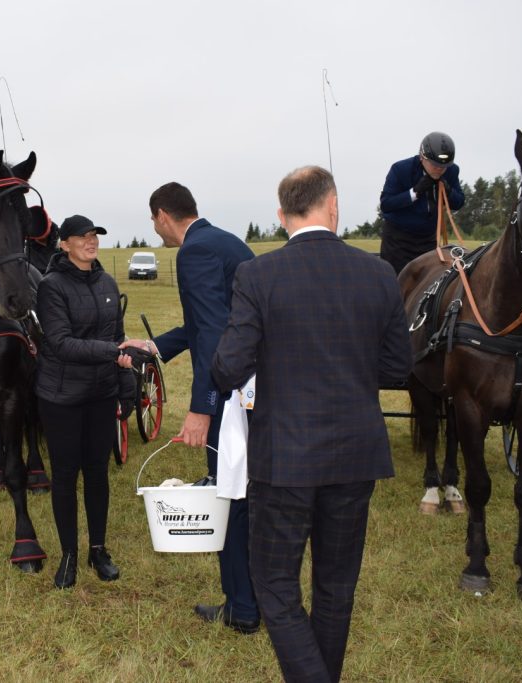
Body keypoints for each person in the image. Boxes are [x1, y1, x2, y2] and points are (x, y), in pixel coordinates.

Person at [212, 166, 412, 681]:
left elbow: (228, 368)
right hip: (355, 455)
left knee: (275, 587)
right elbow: (397, 368)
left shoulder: (258, 275)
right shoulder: (377, 273)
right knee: (335, 586)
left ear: (282, 217)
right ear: (334, 206)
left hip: (285, 459)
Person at [119, 182, 260, 634]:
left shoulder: (194, 252)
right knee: (242, 495)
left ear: (162, 215)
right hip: (255, 388)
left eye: (153, 221)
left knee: (230, 495)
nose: (155, 229)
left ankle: (243, 608)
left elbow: (216, 334)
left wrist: (203, 406)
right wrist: (153, 345)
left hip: (233, 397)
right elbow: (201, 323)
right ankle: (250, 599)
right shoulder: (224, 240)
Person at [34, 214, 135, 590]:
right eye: (82, 237)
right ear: (64, 244)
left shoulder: (108, 283)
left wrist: (126, 388)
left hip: (100, 394)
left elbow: (119, 340)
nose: (91, 241)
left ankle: (97, 550)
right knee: (64, 475)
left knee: (97, 473)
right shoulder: (51, 287)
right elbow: (60, 343)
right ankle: (69, 556)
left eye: (94, 236)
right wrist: (111, 351)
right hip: (62, 397)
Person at [379, 131, 464, 275]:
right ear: (422, 157)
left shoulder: (451, 171)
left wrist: (448, 190)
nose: (439, 169)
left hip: (429, 241)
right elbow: (386, 204)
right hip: (398, 243)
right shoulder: (400, 169)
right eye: (435, 165)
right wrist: (414, 192)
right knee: (397, 286)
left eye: (443, 166)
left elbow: (459, 202)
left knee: (428, 287)